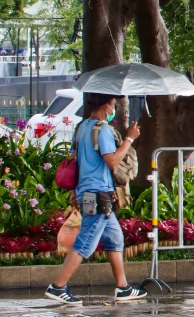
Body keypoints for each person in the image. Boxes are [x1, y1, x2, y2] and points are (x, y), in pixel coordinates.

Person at [44, 93, 146, 305]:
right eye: (112, 105)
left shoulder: (82, 128)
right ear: (105, 106)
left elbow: (75, 159)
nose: (113, 110)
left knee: (115, 238)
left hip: (87, 192)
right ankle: (58, 287)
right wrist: (129, 138)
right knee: (86, 241)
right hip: (99, 194)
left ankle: (122, 287)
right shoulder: (102, 130)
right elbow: (112, 161)